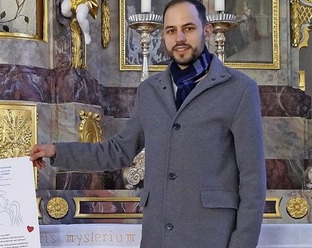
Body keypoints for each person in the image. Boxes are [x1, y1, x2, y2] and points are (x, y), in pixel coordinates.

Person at [29, 0, 266, 247]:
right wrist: (56, 151)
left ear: (206, 31)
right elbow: (118, 150)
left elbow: (252, 179)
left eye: (189, 28)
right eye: (171, 30)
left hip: (211, 236)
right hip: (158, 237)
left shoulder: (239, 89)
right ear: (164, 36)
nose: (180, 37)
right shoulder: (150, 91)